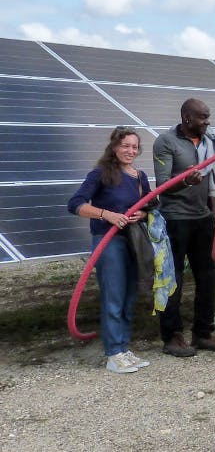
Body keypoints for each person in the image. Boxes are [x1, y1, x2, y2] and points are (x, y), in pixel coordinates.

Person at [67, 127, 155, 373]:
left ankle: (123, 348)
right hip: (107, 241)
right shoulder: (100, 174)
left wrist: (143, 213)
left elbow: (150, 203)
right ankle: (113, 353)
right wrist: (107, 214)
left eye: (135, 147)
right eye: (126, 146)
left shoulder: (140, 176)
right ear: (115, 147)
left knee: (128, 296)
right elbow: (75, 204)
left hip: (133, 241)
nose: (130, 151)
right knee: (113, 296)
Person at [152, 98, 215, 358]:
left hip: (202, 218)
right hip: (175, 219)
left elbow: (212, 181)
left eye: (208, 117)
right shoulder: (165, 142)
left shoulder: (209, 142)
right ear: (187, 117)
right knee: (173, 280)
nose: (207, 122)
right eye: (202, 117)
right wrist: (185, 180)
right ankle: (172, 336)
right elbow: (162, 185)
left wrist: (211, 213)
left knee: (208, 276)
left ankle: (203, 332)